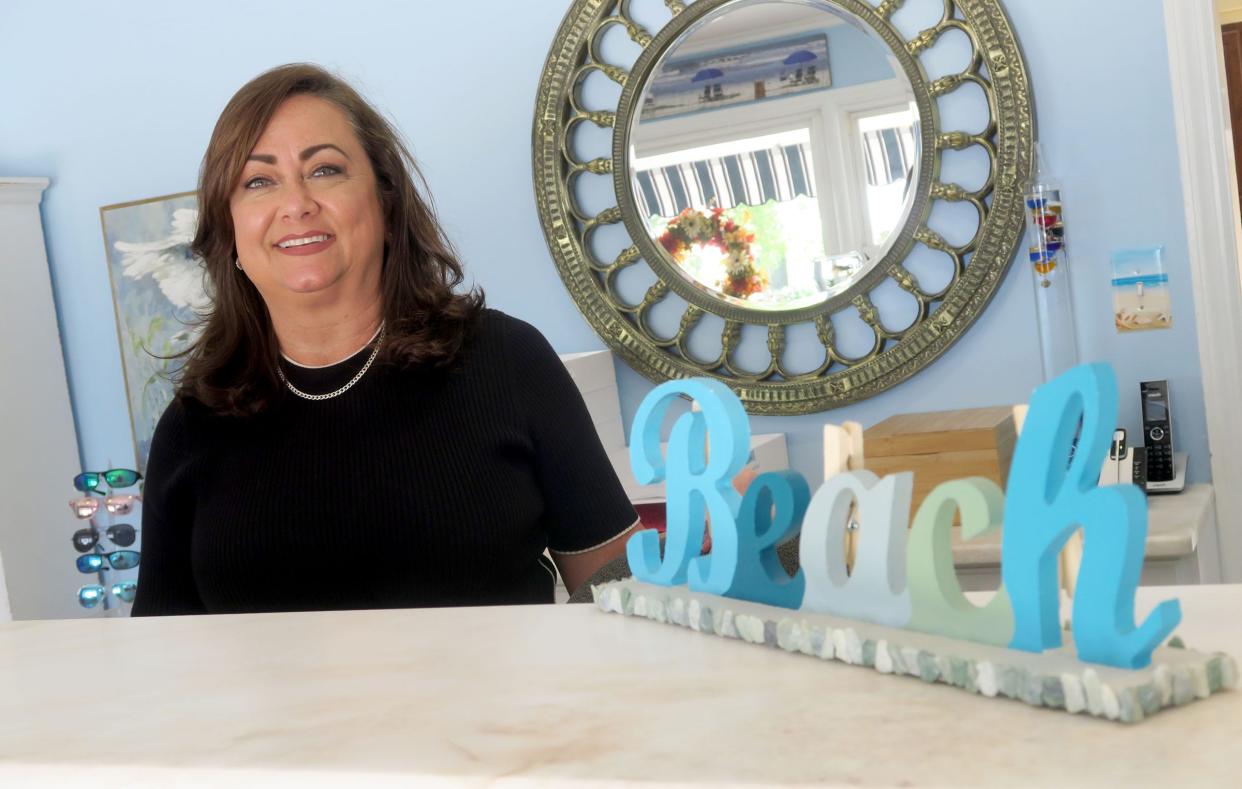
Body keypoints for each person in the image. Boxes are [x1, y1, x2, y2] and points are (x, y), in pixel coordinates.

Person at [131, 64, 638, 615]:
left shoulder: (507, 360)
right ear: (228, 228)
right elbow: (165, 660)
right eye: (258, 181)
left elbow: (618, 593)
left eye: (324, 170)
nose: (296, 203)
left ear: (386, 202)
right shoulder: (191, 424)